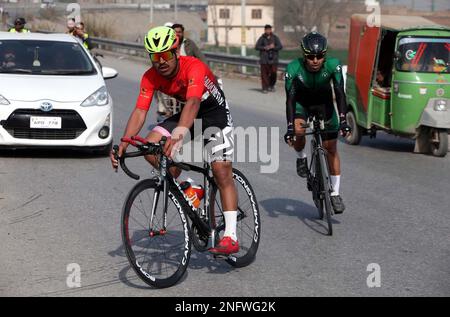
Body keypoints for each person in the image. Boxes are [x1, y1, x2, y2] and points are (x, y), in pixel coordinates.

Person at [110, 26, 240, 255]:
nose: (160, 61)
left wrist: (179, 135)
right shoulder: (150, 76)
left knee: (221, 170)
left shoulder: (194, 67)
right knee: (150, 147)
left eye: (166, 55)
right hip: (189, 114)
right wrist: (123, 143)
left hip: (213, 113)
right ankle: (189, 186)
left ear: (175, 52)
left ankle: (230, 235)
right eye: (155, 57)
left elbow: (192, 102)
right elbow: (140, 111)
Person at [284, 32, 349, 214]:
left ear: (324, 55)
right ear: (304, 55)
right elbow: (290, 100)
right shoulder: (293, 68)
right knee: (298, 131)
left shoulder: (333, 66)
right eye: (311, 57)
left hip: (324, 105)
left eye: (319, 56)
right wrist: (289, 127)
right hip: (301, 105)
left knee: (331, 149)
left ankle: (335, 193)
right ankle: (301, 159)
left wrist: (343, 121)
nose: (315, 60)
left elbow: (340, 93)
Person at [255, 24, 282, 93]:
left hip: (273, 59)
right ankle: (265, 87)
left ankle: (271, 85)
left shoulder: (275, 38)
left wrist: (273, 47)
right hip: (264, 59)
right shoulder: (262, 38)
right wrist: (264, 47)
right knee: (264, 74)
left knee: (273, 73)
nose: (268, 31)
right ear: (265, 30)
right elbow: (257, 47)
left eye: (269, 29)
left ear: (271, 30)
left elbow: (280, 46)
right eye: (266, 30)